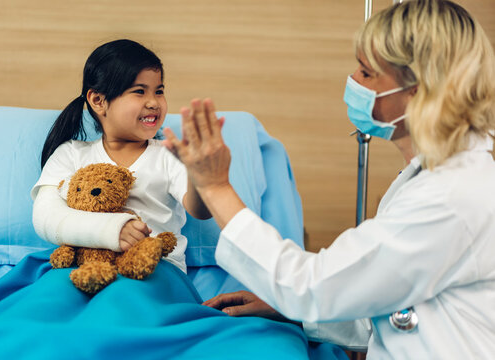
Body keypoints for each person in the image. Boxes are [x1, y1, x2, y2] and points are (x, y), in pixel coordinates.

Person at [162, 0, 495, 357]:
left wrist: (216, 186)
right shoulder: (435, 176)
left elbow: (311, 287)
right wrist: (289, 312)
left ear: (417, 91)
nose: (353, 81)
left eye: (366, 74)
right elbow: (387, 300)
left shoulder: (448, 197)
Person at [32, 39, 211, 274]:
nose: (154, 102)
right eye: (139, 91)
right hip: (85, 269)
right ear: (98, 101)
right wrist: (112, 230)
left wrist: (201, 177)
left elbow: (201, 210)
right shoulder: (71, 154)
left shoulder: (168, 155)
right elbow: (46, 217)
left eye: (159, 91)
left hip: (155, 270)